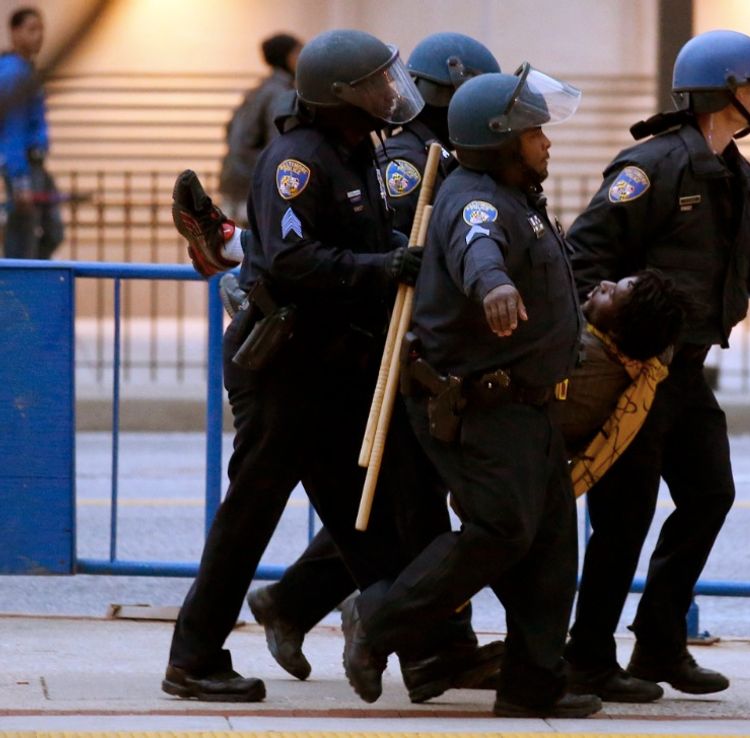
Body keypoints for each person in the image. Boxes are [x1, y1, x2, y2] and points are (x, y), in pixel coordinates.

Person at [171, 32, 506, 705]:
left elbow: (363, 238)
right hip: (285, 369)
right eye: (376, 85)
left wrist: (396, 252)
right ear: (338, 96)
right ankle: (194, 659)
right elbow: (294, 262)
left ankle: (432, 654)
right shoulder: (297, 161)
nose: (391, 95)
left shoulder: (361, 153)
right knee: (249, 517)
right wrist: (382, 267)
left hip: (334, 368)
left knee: (374, 519)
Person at [562, 29, 750, 700]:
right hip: (638, 372)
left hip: (688, 373)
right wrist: (616, 331)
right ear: (721, 91)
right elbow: (583, 254)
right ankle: (588, 656)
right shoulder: (650, 167)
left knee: (710, 495)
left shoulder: (734, 169)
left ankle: (659, 644)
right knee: (623, 518)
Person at [340, 66, 603, 719]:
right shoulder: (475, 200)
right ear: (500, 140)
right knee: (500, 529)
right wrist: (493, 285)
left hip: (528, 402)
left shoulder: (519, 195)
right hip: (478, 403)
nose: (547, 142)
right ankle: (376, 618)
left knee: (548, 544)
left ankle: (532, 686)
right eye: (534, 132)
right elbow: (476, 248)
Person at [217, 33, 302, 225]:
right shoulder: (281, 94)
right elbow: (280, 145)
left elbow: (230, 131)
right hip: (254, 186)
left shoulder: (258, 90)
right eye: (298, 53)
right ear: (286, 57)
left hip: (234, 180)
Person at [0, 6, 63, 259]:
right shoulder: (13, 73)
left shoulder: (26, 70)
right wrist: (20, 179)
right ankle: (20, 293)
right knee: (22, 241)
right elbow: (11, 132)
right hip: (24, 167)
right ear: (14, 33)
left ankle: (34, 280)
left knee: (51, 231)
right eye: (31, 29)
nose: (39, 36)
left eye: (41, 30)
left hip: (36, 165)